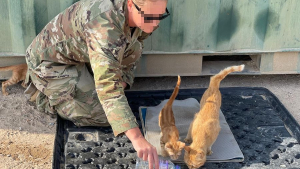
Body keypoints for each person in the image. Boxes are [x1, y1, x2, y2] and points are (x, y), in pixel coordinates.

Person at [24, 0, 169, 168]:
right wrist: (137, 138)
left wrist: (122, 80)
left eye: (161, 15)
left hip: (81, 55)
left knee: (131, 51)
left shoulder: (140, 14)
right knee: (103, 116)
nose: (156, 22)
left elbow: (134, 44)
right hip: (51, 64)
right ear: (130, 5)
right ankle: (45, 95)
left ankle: (88, 79)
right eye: (150, 17)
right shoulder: (104, 27)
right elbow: (108, 89)